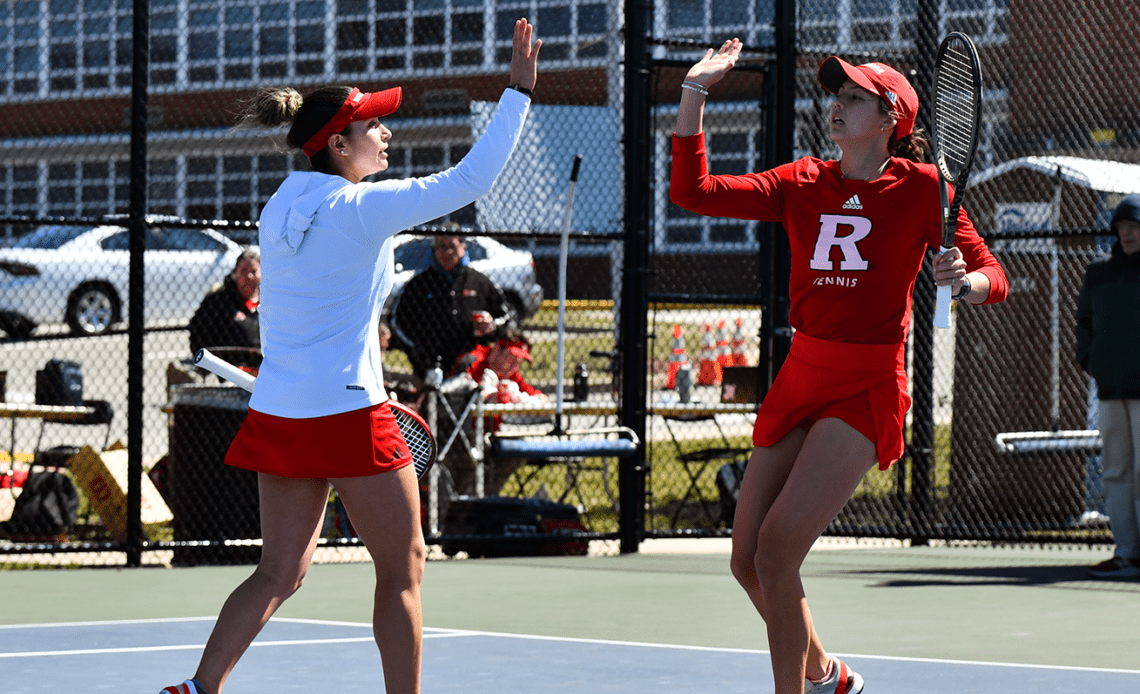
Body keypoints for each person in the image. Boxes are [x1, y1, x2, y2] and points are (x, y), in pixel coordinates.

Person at [158, 18, 540, 694]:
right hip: (348, 416)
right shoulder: (362, 207)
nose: (386, 133)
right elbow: (472, 176)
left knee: (280, 572)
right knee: (403, 569)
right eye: (373, 127)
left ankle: (195, 687)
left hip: (281, 412)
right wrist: (517, 92)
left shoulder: (279, 207)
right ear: (338, 144)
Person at [670, 41, 1009, 694]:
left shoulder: (925, 190)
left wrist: (965, 284)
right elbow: (694, 190)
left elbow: (995, 275)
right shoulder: (801, 181)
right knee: (746, 562)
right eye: (837, 94)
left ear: (889, 120)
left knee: (778, 551)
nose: (837, 104)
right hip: (802, 373)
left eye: (854, 97)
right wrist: (695, 93)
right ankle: (826, 675)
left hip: (868, 383)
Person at [1076, 193, 1140, 579]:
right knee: (1117, 470)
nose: (1127, 234)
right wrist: (1091, 360)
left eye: (1134, 227)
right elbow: (1083, 321)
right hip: (1111, 389)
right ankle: (1127, 553)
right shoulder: (1098, 273)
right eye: (1122, 228)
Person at [391, 233, 513, 379]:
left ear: (463, 247)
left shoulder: (480, 282)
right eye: (442, 246)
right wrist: (416, 350)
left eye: (452, 246)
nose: (447, 252)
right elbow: (396, 321)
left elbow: (506, 317)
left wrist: (492, 326)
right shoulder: (419, 283)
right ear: (434, 249)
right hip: (428, 366)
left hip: (471, 366)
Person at [188, 249, 262, 357]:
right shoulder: (218, 301)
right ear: (235, 274)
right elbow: (198, 338)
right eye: (244, 271)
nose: (249, 276)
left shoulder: (270, 301)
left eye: (253, 271)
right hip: (229, 368)